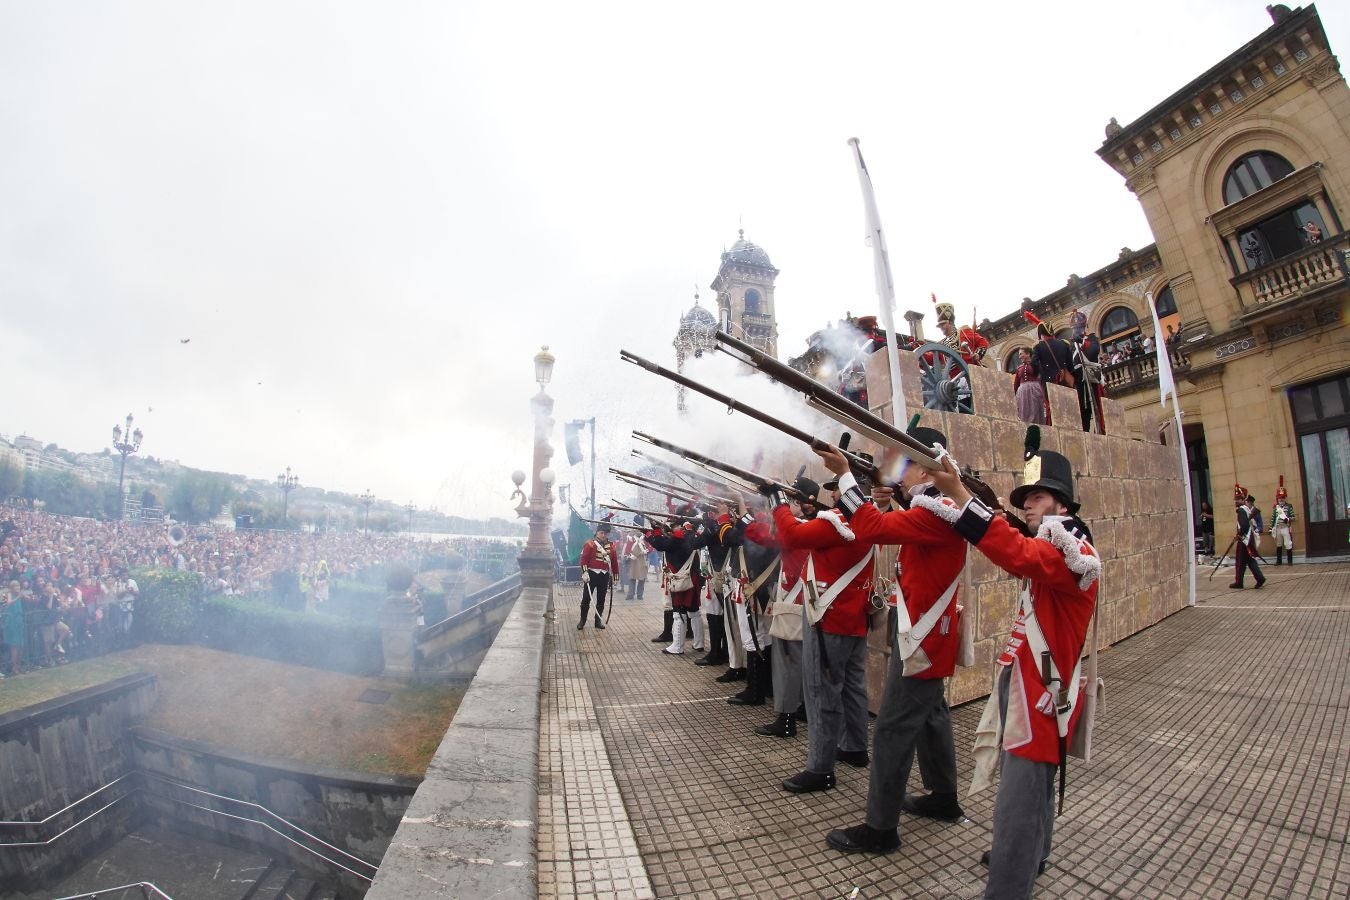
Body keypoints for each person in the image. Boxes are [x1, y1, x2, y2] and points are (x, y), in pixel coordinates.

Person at [925, 444, 1100, 899]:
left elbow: (1017, 554)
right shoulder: (1055, 543)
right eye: (1026, 499)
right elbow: (1017, 545)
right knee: (1033, 789)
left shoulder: (1073, 549)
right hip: (1027, 681)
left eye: (1038, 497)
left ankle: (1008, 885)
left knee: (1018, 800)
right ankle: (1032, 854)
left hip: (1040, 692)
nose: (1028, 506)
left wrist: (960, 495)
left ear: (1063, 505)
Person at [818, 424, 969, 855]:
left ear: (926, 471)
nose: (898, 472)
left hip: (922, 638)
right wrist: (887, 496)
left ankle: (880, 828)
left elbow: (869, 528)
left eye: (907, 464)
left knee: (891, 728)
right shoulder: (938, 507)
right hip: (925, 634)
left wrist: (845, 475)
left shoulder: (935, 512)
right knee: (932, 715)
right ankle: (943, 796)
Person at [769, 459, 876, 793]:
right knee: (853, 687)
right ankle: (855, 748)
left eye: (838, 489)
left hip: (828, 618)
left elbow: (791, 533)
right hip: (853, 618)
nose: (834, 495)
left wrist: (777, 500)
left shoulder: (838, 522)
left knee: (820, 692)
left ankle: (820, 767)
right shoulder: (869, 520)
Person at [739, 475, 821, 737]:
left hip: (794, 604)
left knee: (788, 663)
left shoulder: (797, 529)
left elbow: (754, 532)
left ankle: (786, 720)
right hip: (809, 604)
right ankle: (803, 709)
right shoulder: (817, 525)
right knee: (804, 662)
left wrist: (749, 507)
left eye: (792, 500)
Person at [647, 517, 707, 653]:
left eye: (673, 525)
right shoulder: (691, 537)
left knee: (678, 612)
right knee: (694, 611)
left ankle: (677, 646)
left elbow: (659, 544)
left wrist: (653, 531)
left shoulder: (678, 539)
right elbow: (664, 542)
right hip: (692, 578)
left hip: (681, 579)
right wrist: (658, 531)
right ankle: (699, 643)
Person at [578, 522, 619, 630]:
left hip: (604, 576)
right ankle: (582, 621)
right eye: (601, 533)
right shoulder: (590, 544)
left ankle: (598, 621)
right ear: (596, 533)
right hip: (591, 575)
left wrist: (615, 576)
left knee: (601, 600)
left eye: (605, 533)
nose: (603, 535)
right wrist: (585, 572)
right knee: (586, 599)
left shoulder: (612, 546)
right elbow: (584, 559)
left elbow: (614, 562)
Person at [1231, 485, 1265, 590]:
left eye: (1238, 499)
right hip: (1248, 538)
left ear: (1243, 499)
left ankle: (1239, 582)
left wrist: (1239, 534)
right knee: (1249, 560)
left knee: (1240, 561)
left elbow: (1245, 525)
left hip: (1244, 539)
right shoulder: (1246, 509)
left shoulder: (1241, 510)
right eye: (1236, 499)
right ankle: (1259, 578)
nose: (1236, 501)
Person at [1012, 348, 1045, 425]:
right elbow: (1016, 384)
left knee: (1035, 410)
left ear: (1028, 354)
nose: (1019, 357)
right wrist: (1012, 396)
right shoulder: (1019, 368)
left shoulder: (1036, 365)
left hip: (1035, 391)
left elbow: (1042, 379)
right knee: (1024, 411)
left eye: (1021, 354)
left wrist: (1044, 395)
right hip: (1022, 393)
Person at [1271, 482, 1296, 565]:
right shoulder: (1276, 508)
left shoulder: (1289, 507)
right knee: (1278, 544)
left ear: (1285, 498)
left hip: (1285, 527)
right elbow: (1273, 519)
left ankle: (1290, 561)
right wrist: (1271, 528)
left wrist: (1288, 519)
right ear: (1277, 498)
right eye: (1280, 497)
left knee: (1288, 544)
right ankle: (1279, 561)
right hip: (1278, 528)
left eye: (1282, 497)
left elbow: (1293, 517)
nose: (1281, 499)